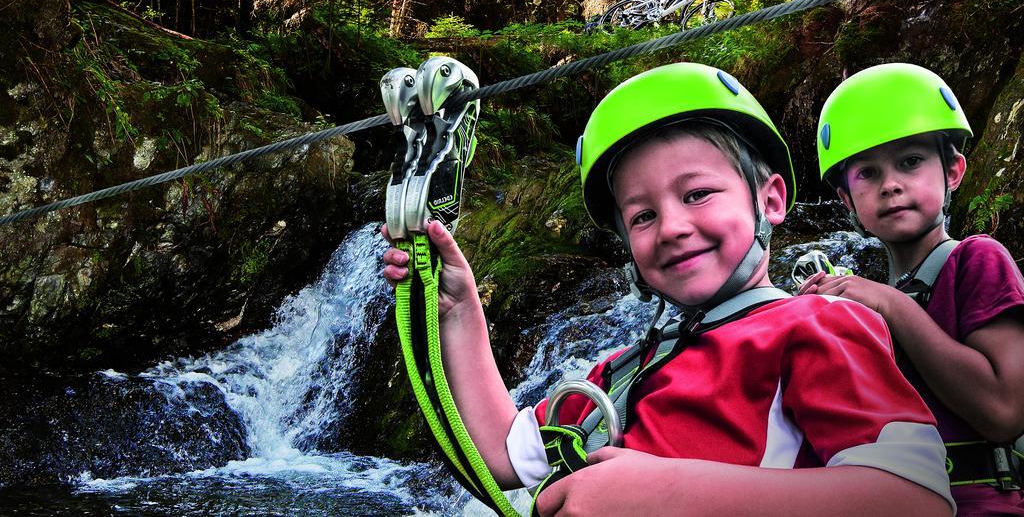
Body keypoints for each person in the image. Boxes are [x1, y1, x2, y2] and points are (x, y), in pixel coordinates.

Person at [383, 62, 953, 515]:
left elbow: (914, 498)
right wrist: (457, 312)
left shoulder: (819, 324)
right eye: (642, 216)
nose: (673, 227)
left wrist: (661, 493)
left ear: (772, 200)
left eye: (698, 194)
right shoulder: (621, 371)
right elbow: (503, 455)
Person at [800, 62, 1024, 515]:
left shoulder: (978, 259)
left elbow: (1004, 410)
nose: (891, 185)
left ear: (953, 171)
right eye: (868, 173)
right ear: (846, 199)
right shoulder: (863, 301)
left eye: (910, 162)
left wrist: (893, 305)